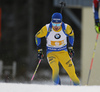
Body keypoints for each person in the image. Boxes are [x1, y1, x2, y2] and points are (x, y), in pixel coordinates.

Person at [35, 12, 80, 85]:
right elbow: (37, 36)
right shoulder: (46, 28)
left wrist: (70, 47)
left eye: (58, 24)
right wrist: (39, 50)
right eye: (54, 24)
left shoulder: (66, 27)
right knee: (55, 69)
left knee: (72, 73)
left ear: (61, 22)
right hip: (51, 53)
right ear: (51, 22)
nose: (56, 26)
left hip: (63, 52)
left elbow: (71, 35)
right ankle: (57, 87)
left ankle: (78, 89)